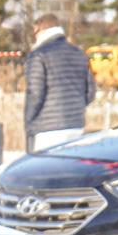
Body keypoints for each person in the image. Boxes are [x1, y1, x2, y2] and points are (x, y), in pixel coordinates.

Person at [23, 13, 95, 152]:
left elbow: (35, 94)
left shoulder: (39, 55)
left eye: (35, 32)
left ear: (40, 28)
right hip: (76, 125)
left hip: (47, 128)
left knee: (46, 171)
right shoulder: (79, 53)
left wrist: (29, 122)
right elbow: (90, 92)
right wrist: (77, 107)